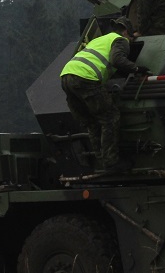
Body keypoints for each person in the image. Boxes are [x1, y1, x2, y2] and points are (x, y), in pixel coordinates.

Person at [59, 17, 148, 173]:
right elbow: (117, 60)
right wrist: (137, 69)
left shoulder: (99, 40)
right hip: (86, 77)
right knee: (110, 117)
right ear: (126, 31)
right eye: (132, 37)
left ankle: (101, 161)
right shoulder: (121, 40)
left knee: (91, 122)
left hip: (67, 76)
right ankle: (112, 162)